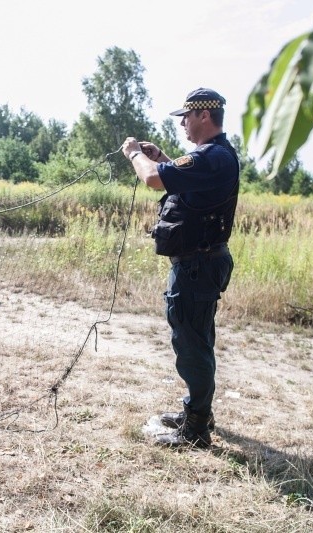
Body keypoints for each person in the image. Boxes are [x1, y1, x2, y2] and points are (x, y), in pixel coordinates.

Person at [121, 88, 239, 447]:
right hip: (201, 263)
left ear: (204, 116)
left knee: (191, 345)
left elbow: (154, 179)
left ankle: (196, 430)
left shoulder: (211, 156)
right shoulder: (214, 157)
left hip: (196, 266)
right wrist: (163, 158)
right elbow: (184, 184)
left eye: (186, 117)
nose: (183, 124)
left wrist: (135, 155)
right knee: (197, 340)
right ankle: (197, 411)